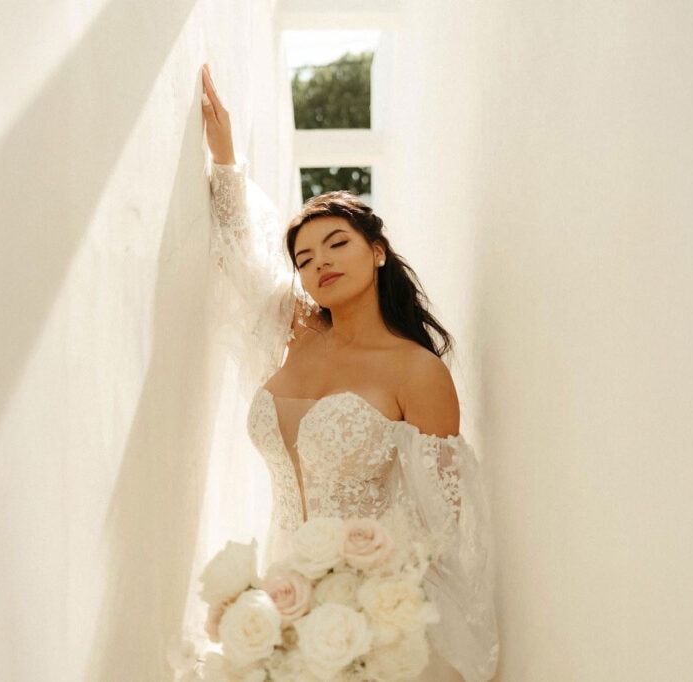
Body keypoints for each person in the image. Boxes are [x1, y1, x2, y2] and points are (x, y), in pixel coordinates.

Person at [200, 64, 498, 682]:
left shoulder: (417, 371)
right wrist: (224, 155)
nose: (320, 263)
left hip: (368, 614)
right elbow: (237, 252)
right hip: (282, 596)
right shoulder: (294, 333)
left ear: (377, 251)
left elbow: (441, 528)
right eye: (305, 258)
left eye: (337, 243)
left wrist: (371, 615)